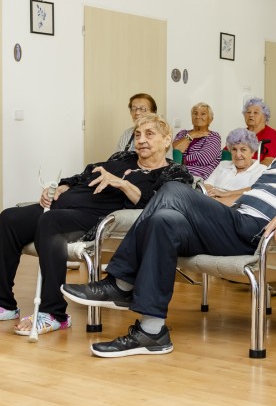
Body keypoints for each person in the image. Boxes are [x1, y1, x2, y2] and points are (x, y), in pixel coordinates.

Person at [62, 99, 276, 357]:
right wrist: (217, 198)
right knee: (164, 221)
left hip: (258, 232)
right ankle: (152, 332)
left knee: (174, 188)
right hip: (234, 222)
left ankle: (120, 283)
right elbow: (251, 194)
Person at [0, 114, 192, 334]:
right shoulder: (122, 157)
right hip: (62, 205)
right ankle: (4, 303)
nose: (141, 140)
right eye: (137, 134)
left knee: (50, 221)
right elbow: (86, 173)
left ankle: (53, 313)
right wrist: (62, 186)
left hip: (94, 217)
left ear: (167, 140)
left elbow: (162, 203)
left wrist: (121, 183)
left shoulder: (174, 172)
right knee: (9, 218)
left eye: (149, 134)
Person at [204, 128, 267, 206]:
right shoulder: (223, 164)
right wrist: (212, 194)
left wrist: (225, 194)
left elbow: (253, 190)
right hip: (210, 202)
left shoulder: (262, 170)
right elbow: (207, 184)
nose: (237, 154)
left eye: (243, 149)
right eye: (234, 149)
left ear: (252, 152)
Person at [172, 102, 222, 180]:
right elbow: (176, 150)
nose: (198, 116)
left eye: (203, 114)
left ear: (210, 119)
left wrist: (182, 160)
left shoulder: (213, 136)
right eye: (195, 113)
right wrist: (191, 136)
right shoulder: (183, 134)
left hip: (198, 178)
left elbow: (204, 158)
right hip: (177, 175)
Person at [244, 97, 276, 166]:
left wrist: (249, 172)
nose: (251, 115)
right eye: (248, 112)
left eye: (255, 112)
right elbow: (226, 153)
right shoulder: (241, 134)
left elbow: (269, 161)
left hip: (256, 173)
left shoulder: (270, 133)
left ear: (265, 117)